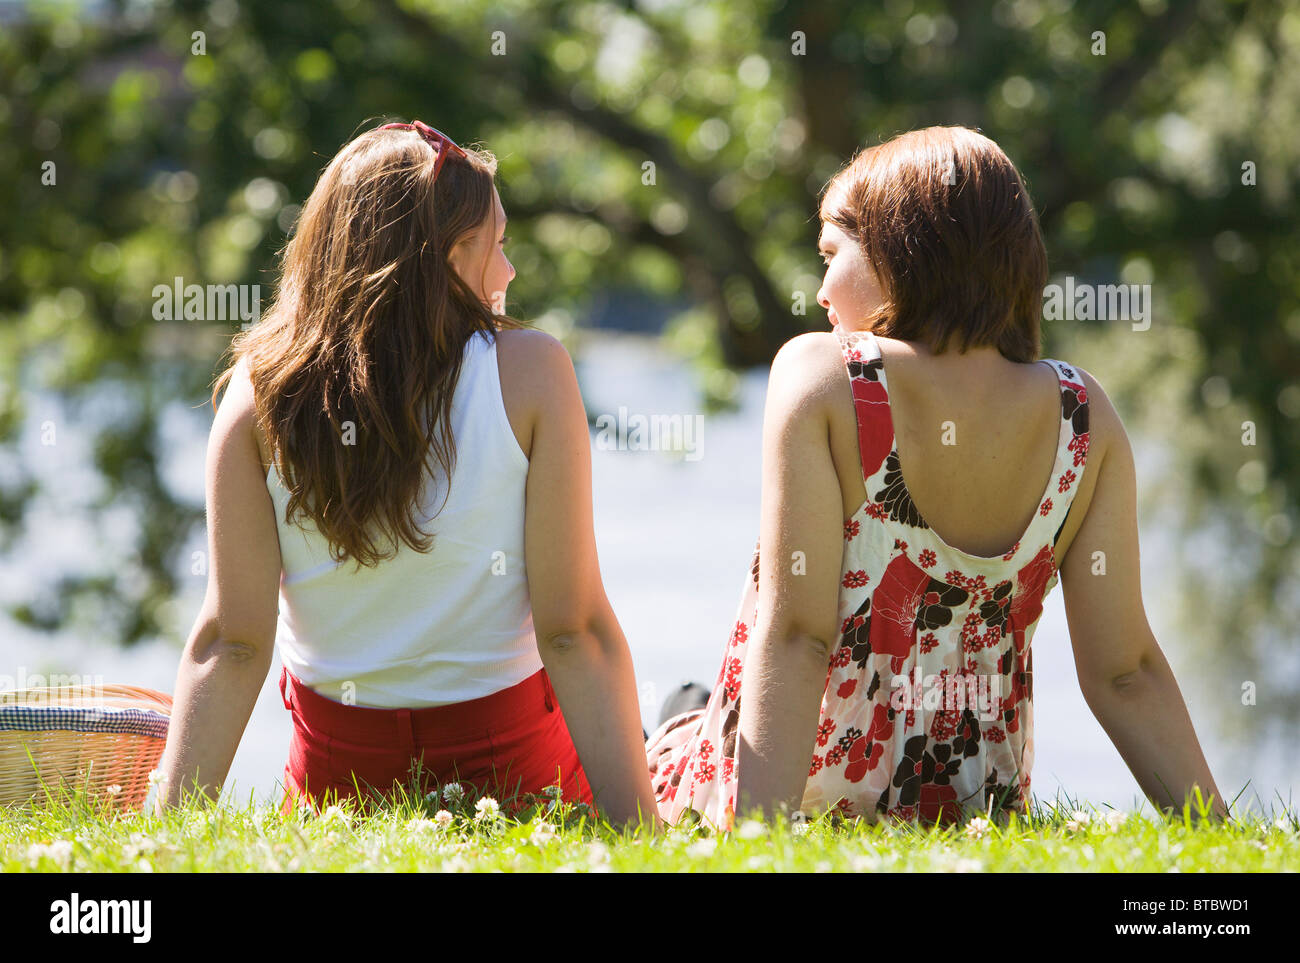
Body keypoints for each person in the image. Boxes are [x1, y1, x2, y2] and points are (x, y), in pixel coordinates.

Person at [645, 125, 1229, 831]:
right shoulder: (1084, 414)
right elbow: (1125, 670)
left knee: (669, 719)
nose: (822, 290)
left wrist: (756, 842)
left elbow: (798, 633)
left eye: (832, 255)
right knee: (682, 701)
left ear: (899, 249)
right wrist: (1218, 838)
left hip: (795, 797)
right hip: (967, 812)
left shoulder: (826, 378)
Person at [154, 119, 658, 829]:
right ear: (452, 258)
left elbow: (231, 643)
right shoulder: (533, 372)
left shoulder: (257, 389)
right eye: (500, 246)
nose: (509, 272)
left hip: (338, 788)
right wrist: (645, 833)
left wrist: (161, 831)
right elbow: (572, 630)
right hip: (513, 776)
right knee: (679, 726)